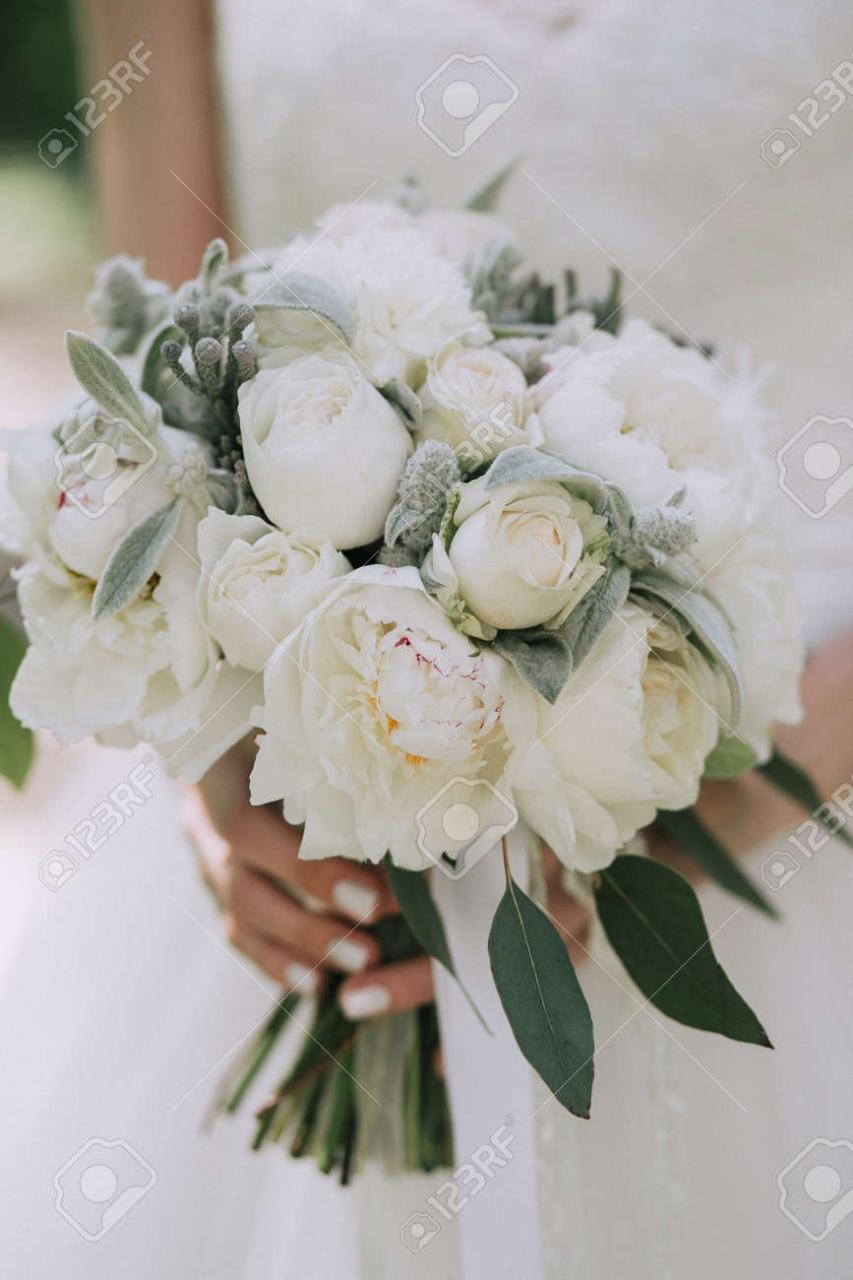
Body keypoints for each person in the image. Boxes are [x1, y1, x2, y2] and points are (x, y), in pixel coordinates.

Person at [6, 0, 850, 1274]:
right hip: (313, 801)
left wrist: (666, 804)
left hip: (788, 764)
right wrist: (222, 765)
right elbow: (167, 382)